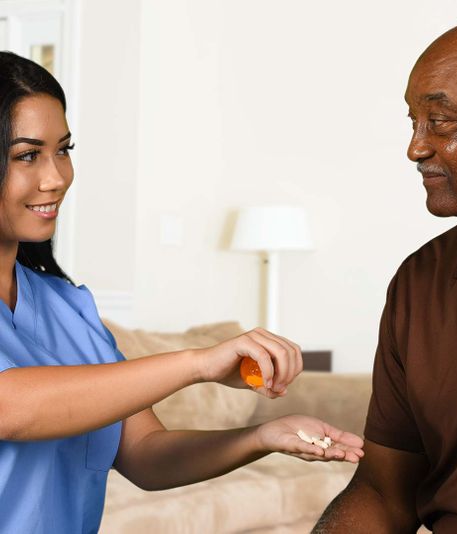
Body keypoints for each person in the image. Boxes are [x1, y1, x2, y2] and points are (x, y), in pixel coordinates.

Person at [0, 51, 365, 534]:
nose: (56, 177)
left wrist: (260, 437)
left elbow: (147, 455)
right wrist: (198, 363)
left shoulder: (68, 308)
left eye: (63, 150)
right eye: (27, 155)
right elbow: (12, 408)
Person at [313, 15, 457, 534]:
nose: (416, 147)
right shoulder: (420, 281)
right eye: (413, 122)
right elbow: (384, 492)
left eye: (440, 121)